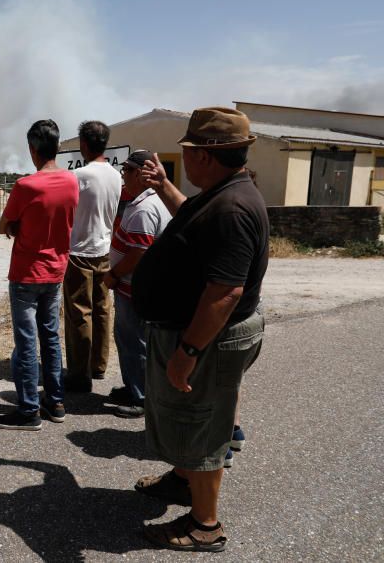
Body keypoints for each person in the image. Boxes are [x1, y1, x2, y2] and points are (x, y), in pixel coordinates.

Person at [130, 107, 268, 552]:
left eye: (189, 151)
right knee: (190, 419)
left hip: (207, 339)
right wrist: (163, 186)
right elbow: (191, 218)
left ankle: (205, 525)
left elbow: (225, 292)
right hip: (196, 333)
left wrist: (187, 350)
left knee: (203, 424)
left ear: (206, 156)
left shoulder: (230, 207)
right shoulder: (222, 192)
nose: (184, 159)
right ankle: (183, 480)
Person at [0, 119, 78, 431]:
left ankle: (28, 410)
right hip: (56, 272)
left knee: (27, 343)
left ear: (32, 149)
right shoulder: (72, 182)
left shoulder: (26, 186)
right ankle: (55, 402)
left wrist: (17, 226)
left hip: (26, 274)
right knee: (51, 337)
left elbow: (3, 225)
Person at [102, 150, 172, 417]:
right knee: (132, 339)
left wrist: (114, 274)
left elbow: (139, 253)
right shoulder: (149, 201)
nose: (123, 176)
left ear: (140, 175)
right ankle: (134, 386)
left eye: (127, 171)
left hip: (134, 286)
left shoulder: (145, 208)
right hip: (139, 286)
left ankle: (141, 396)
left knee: (133, 341)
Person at [62, 121, 121, 393]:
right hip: (104, 250)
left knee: (79, 314)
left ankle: (78, 374)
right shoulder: (115, 175)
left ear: (84, 144)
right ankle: (99, 364)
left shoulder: (79, 176)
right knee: (102, 310)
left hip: (79, 251)